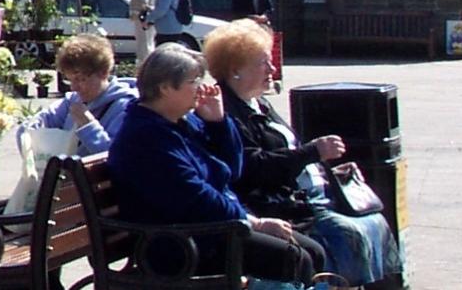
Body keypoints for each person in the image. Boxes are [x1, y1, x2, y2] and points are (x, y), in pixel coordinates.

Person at [107, 43, 326, 286]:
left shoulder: (181, 122)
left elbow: (232, 170)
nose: (201, 88)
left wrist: (218, 123)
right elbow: (195, 198)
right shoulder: (145, 138)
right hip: (178, 243)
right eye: (193, 81)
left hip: (208, 230)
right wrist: (256, 223)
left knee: (313, 251)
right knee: (293, 259)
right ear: (166, 87)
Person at [209, 20, 403, 286]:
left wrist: (326, 171)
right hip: (274, 204)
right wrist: (314, 152)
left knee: (374, 223)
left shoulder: (259, 103)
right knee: (347, 234)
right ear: (235, 70)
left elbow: (289, 148)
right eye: (262, 63)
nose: (272, 69)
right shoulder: (228, 111)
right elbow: (254, 166)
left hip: (302, 194)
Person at [30, 34, 138, 154]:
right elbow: (35, 124)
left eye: (81, 79)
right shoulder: (73, 101)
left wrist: (88, 125)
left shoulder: (127, 109)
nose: (74, 87)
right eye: (69, 80)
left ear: (104, 73)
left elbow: (116, 158)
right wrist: (28, 136)